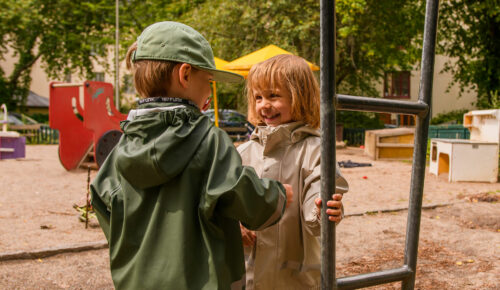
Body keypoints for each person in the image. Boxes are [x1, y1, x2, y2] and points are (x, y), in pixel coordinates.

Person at [90, 21, 293, 290]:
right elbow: (240, 194)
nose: (209, 93)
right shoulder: (209, 140)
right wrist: (278, 195)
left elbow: (102, 200)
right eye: (207, 82)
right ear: (185, 75)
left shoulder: (121, 148)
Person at [238, 54, 349, 289]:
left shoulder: (317, 150)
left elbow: (318, 201)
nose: (264, 105)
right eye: (258, 97)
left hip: (294, 274)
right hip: (247, 270)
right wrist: (234, 222)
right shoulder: (244, 152)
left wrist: (323, 210)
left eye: (273, 96)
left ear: (300, 96)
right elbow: (227, 199)